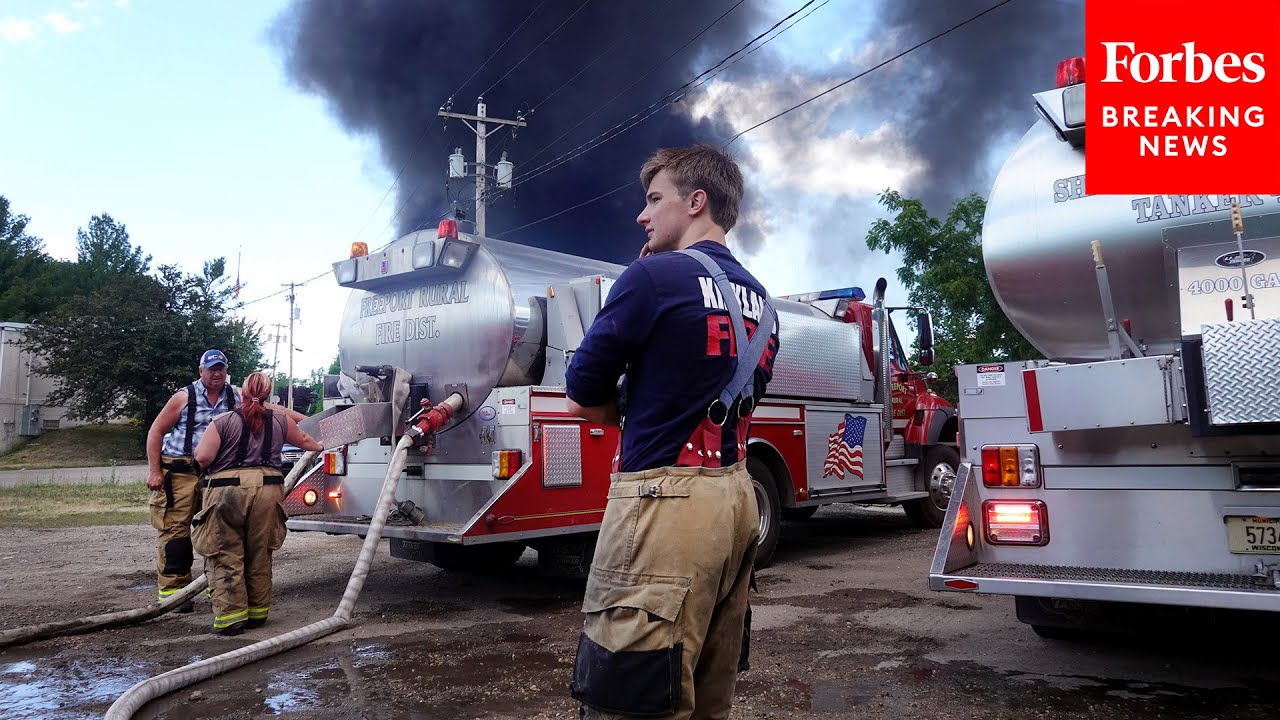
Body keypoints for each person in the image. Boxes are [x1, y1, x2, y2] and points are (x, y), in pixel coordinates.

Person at [565, 144, 780, 719]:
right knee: (709, 680)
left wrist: (642, 280)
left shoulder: (653, 277)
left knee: (634, 685)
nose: (643, 215)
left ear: (696, 202)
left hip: (666, 503)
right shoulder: (763, 300)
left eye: (654, 199)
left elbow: (581, 391)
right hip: (736, 500)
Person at [145, 349, 305, 610]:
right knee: (175, 532)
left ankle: (217, 587)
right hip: (181, 473)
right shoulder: (183, 398)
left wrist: (310, 422)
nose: (216, 373)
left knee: (217, 535)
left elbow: (275, 411)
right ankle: (174, 592)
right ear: (201, 371)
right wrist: (154, 472)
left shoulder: (236, 396)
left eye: (221, 368)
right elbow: (156, 431)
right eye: (211, 369)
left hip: (215, 476)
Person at [192, 371, 322, 635]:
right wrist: (325, 443)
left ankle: (231, 619)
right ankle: (258, 612)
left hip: (226, 492)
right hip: (268, 491)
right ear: (268, 395)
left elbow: (203, 457)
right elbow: (309, 443)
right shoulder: (281, 421)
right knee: (260, 552)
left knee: (226, 551)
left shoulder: (223, 421)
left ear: (241, 393)